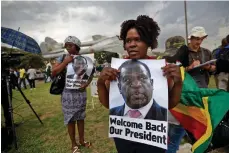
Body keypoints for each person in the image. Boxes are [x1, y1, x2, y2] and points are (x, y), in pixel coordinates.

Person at [97, 15, 182, 153]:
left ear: (148, 42)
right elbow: (108, 104)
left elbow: (170, 103)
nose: (132, 44)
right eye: (128, 40)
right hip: (124, 138)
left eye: (138, 39)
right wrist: (101, 82)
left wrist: (178, 82)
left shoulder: (161, 69)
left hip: (153, 140)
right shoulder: (117, 69)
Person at [52, 36, 92, 153]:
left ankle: (82, 141)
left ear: (77, 46)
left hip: (80, 93)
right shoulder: (62, 58)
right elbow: (54, 72)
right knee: (70, 119)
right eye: (66, 45)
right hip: (68, 94)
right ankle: (74, 144)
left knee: (80, 117)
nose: (68, 48)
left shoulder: (85, 59)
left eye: (70, 45)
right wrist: (65, 62)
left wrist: (87, 83)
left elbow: (90, 74)